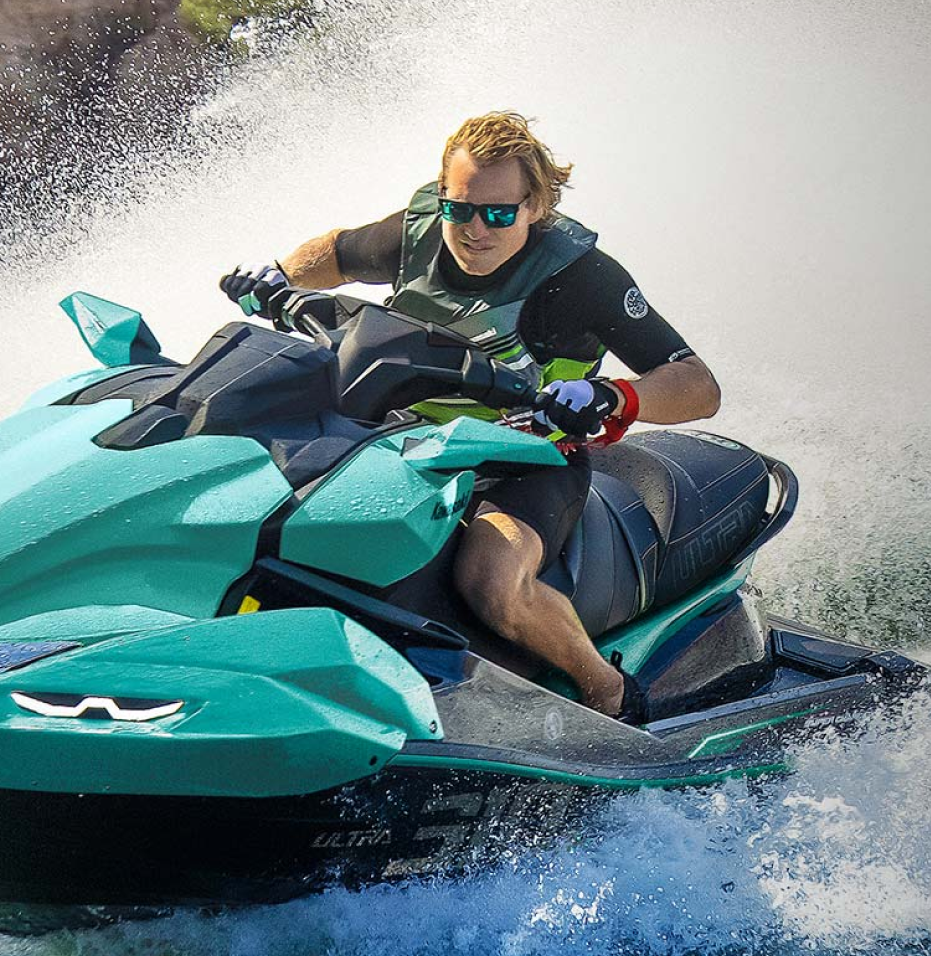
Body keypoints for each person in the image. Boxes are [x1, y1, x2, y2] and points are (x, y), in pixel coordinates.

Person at [223, 111, 720, 716]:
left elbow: (698, 384)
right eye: (460, 209)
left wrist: (615, 397)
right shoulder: (419, 233)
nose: (475, 229)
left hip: (526, 458)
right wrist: (276, 276)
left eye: (499, 213)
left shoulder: (583, 277)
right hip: (400, 443)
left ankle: (605, 691)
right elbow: (333, 252)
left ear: (535, 206)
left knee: (491, 580)